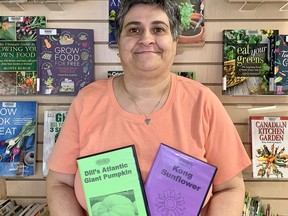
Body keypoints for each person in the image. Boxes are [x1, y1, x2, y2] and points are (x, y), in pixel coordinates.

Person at [46, 0, 251, 215]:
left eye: (158, 29)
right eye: (134, 29)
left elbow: (230, 188)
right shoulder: (87, 102)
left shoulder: (203, 102)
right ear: (119, 43)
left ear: (174, 41)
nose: (146, 39)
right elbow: (59, 183)